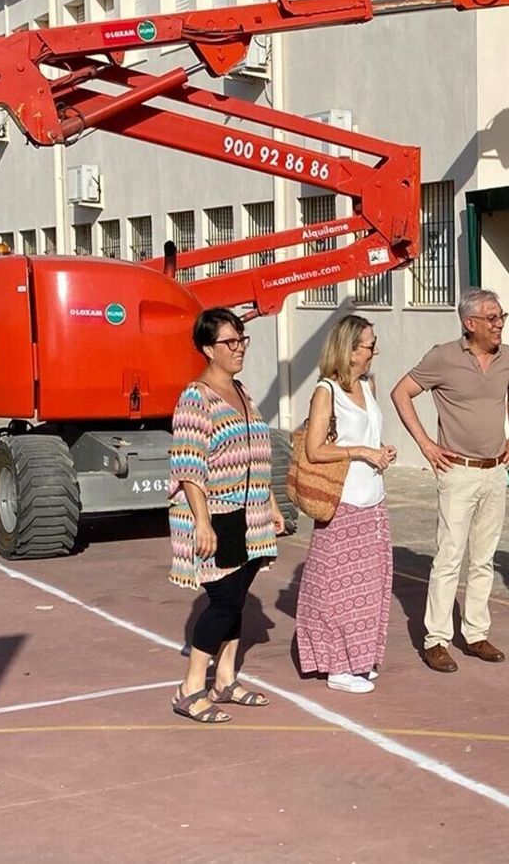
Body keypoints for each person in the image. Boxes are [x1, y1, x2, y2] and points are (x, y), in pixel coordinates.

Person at [391, 288, 509, 673]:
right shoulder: (443, 357)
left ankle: (477, 633)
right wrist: (426, 445)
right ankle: (436, 639)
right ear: (470, 323)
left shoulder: (507, 357)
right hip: (457, 471)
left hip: (494, 471)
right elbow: (402, 392)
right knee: (449, 558)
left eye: (502, 317)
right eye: (492, 318)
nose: (499, 324)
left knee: (484, 559)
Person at [167, 307, 284, 723]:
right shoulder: (195, 397)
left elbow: (254, 452)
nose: (239, 349)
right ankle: (190, 687)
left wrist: (270, 506)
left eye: (242, 340)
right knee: (225, 600)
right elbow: (188, 464)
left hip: (250, 512)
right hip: (217, 513)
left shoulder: (242, 391)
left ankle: (226, 679)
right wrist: (202, 521)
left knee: (236, 600)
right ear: (206, 348)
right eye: (229, 343)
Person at [294, 315, 398, 694]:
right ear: (351, 350)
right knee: (337, 588)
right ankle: (336, 665)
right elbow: (315, 448)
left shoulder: (367, 385)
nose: (375, 351)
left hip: (373, 500)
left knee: (370, 586)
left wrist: (381, 450)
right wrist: (361, 452)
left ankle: (358, 658)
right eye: (369, 344)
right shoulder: (327, 391)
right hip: (343, 502)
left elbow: (369, 432)